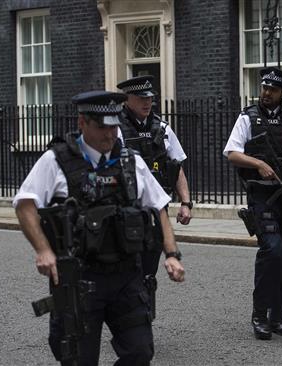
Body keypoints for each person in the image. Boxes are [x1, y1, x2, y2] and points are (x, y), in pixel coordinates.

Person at [14, 91, 185, 364]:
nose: (109, 134)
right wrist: (43, 250)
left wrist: (172, 255)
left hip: (126, 275)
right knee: (80, 358)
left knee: (140, 352)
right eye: (102, 126)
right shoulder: (56, 160)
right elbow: (25, 205)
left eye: (114, 126)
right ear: (83, 123)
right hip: (81, 277)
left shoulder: (131, 161)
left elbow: (159, 207)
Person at [224, 67, 282, 340]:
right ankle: (259, 315)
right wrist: (259, 164)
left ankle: (278, 317)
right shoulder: (247, 118)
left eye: (273, 90)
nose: (266, 93)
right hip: (262, 196)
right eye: (264, 88)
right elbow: (232, 152)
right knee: (273, 250)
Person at [116, 75, 191, 316]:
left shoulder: (163, 128)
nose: (147, 103)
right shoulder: (115, 128)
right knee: (127, 267)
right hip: (125, 210)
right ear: (127, 99)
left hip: (155, 211)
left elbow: (176, 167)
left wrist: (186, 202)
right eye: (141, 98)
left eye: (149, 98)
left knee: (148, 268)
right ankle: (125, 316)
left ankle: (142, 316)